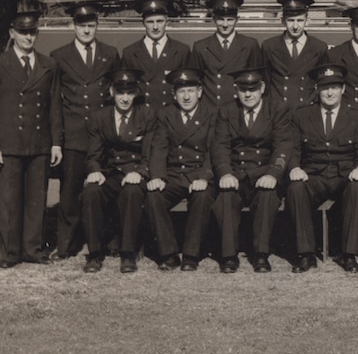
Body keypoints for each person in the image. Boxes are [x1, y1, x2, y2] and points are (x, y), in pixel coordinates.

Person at [49, 2, 120, 260]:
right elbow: (56, 103)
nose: (87, 31)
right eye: (82, 26)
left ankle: (109, 242)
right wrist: (57, 140)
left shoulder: (110, 53)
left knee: (106, 188)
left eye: (91, 26)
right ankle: (66, 246)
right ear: (73, 26)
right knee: (69, 194)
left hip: (103, 136)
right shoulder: (59, 56)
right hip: (74, 136)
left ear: (97, 26)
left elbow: (116, 97)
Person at [285, 64, 358, 274]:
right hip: (314, 175)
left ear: (343, 89)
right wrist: (295, 167)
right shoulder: (302, 115)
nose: (330, 92)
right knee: (295, 188)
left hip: (344, 175)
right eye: (325, 88)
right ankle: (306, 255)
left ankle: (348, 254)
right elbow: (294, 149)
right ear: (317, 89)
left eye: (334, 87)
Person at [211, 66, 291, 273]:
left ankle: (261, 255)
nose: (248, 94)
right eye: (243, 89)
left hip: (263, 172)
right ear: (236, 90)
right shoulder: (227, 111)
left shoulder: (277, 109)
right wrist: (225, 172)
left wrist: (273, 174)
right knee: (226, 197)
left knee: (267, 196)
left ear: (262, 88)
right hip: (236, 173)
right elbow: (220, 145)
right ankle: (229, 256)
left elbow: (283, 145)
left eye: (253, 89)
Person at [0, 11, 63, 268]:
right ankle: (9, 253)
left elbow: (54, 106)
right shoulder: (2, 62)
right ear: (12, 33)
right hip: (10, 141)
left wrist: (56, 142)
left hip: (39, 141)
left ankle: (33, 250)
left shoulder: (49, 65)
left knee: (37, 199)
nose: (28, 37)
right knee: (9, 199)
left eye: (32, 32)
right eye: (23, 32)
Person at [81, 68, 157, 273]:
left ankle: (127, 253)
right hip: (112, 173)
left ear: (136, 93)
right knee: (91, 191)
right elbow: (93, 154)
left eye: (130, 93)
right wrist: (95, 170)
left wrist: (140, 172)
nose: (125, 98)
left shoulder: (146, 114)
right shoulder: (100, 117)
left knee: (132, 192)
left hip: (136, 172)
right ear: (111, 92)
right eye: (120, 92)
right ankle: (95, 254)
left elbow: (151, 152)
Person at [144, 68, 218, 272]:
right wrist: (158, 176)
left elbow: (215, 150)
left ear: (200, 92)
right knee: (153, 195)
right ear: (174, 94)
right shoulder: (166, 114)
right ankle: (169, 254)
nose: (186, 97)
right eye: (181, 92)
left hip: (200, 173)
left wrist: (204, 177)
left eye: (191, 91)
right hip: (174, 175)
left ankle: (191, 255)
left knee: (202, 197)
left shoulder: (211, 113)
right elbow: (159, 147)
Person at [191, 0, 263, 108]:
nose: (225, 24)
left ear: (237, 20)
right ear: (214, 19)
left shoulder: (250, 44)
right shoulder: (200, 46)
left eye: (230, 20)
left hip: (238, 109)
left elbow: (257, 80)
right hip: (211, 109)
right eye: (220, 19)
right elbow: (196, 83)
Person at [121, 0, 191, 109]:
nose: (155, 27)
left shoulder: (181, 50)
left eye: (159, 21)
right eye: (150, 22)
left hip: (170, 117)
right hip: (142, 117)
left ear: (167, 21)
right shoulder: (130, 52)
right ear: (143, 23)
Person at [261, 0, 327, 110]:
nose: (295, 26)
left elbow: (322, 84)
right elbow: (265, 84)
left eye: (300, 20)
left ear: (308, 20)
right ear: (282, 20)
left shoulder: (319, 47)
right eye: (291, 20)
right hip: (278, 112)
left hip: (307, 112)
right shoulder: (269, 46)